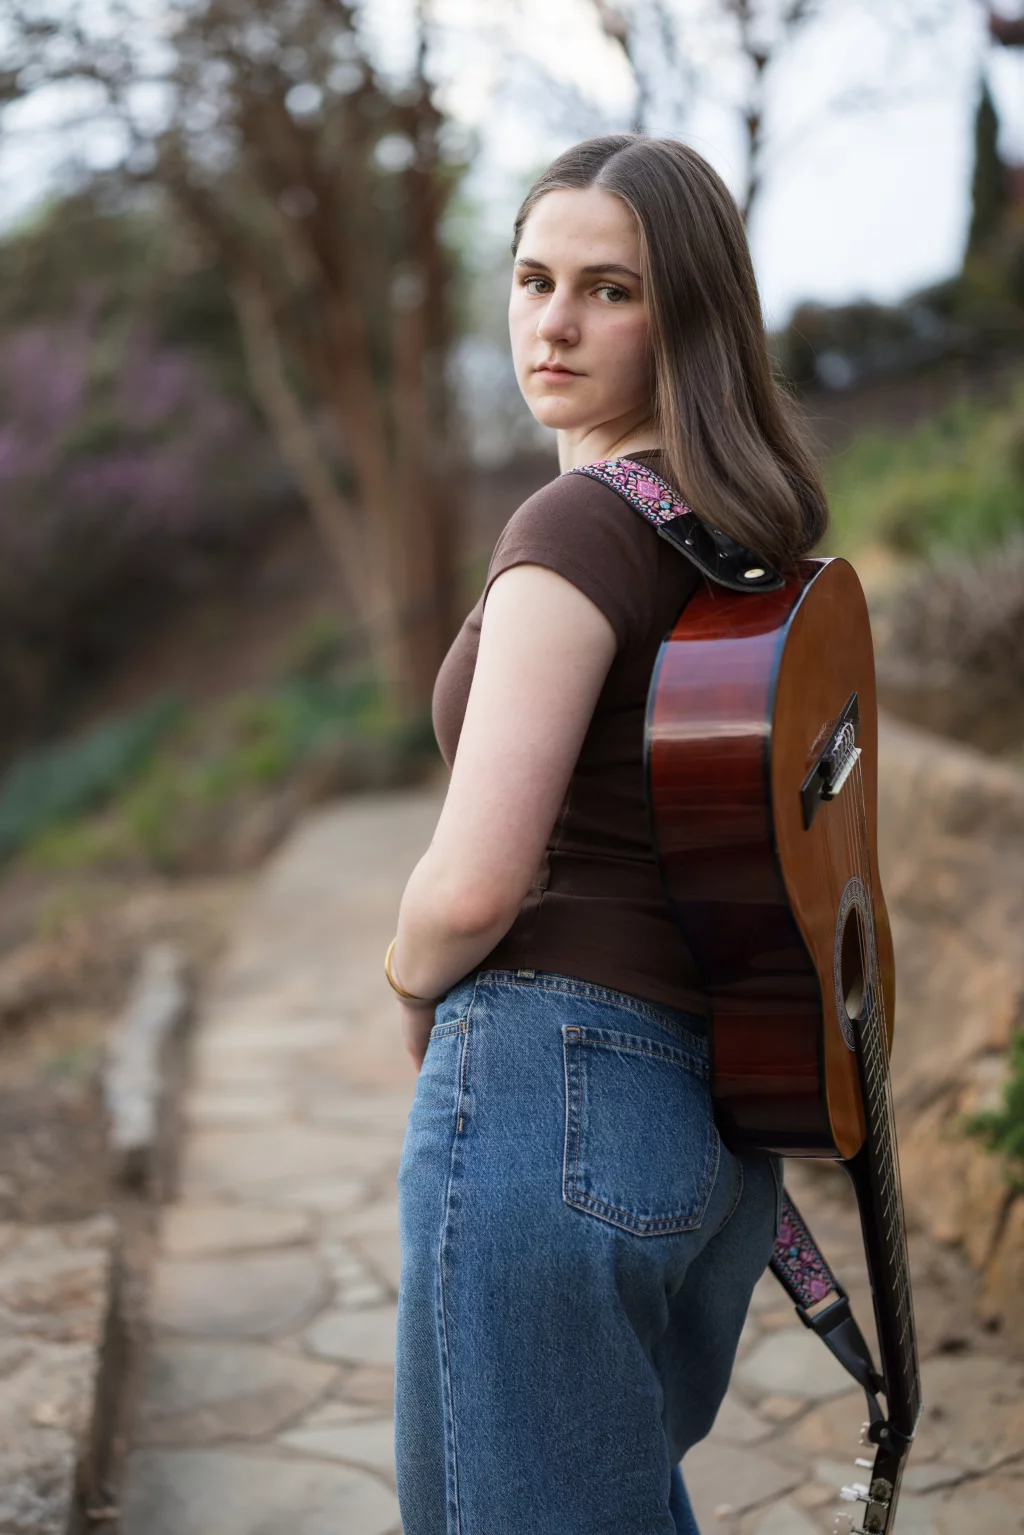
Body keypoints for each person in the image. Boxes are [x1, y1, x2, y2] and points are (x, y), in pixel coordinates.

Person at [386, 134, 829, 1535]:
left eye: (609, 289)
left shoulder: (575, 528)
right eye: (532, 278)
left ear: (686, 316)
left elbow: (473, 878)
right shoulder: (740, 549)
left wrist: (407, 977)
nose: (554, 321)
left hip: (543, 1098)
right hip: (705, 1138)